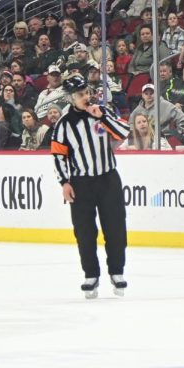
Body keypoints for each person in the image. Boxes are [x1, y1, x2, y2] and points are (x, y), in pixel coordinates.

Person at [50, 73, 131, 299]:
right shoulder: (64, 125)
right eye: (80, 94)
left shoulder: (101, 113)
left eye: (87, 92)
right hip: (80, 183)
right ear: (70, 98)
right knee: (85, 232)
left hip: (108, 179)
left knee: (115, 228)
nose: (86, 97)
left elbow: (124, 133)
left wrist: (102, 117)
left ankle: (117, 272)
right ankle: (91, 275)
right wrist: (64, 182)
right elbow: (58, 156)